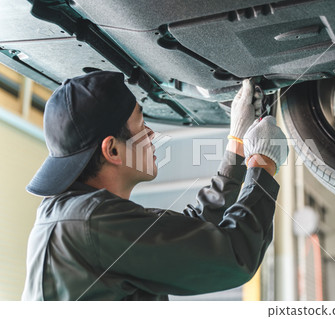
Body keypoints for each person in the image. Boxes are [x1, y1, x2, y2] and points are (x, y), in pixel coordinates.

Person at [22, 71, 288, 301]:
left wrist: (237, 144)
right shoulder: (90, 224)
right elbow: (233, 258)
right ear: (112, 149)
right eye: (141, 125)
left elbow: (186, 235)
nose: (151, 134)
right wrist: (261, 164)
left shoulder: (73, 217)